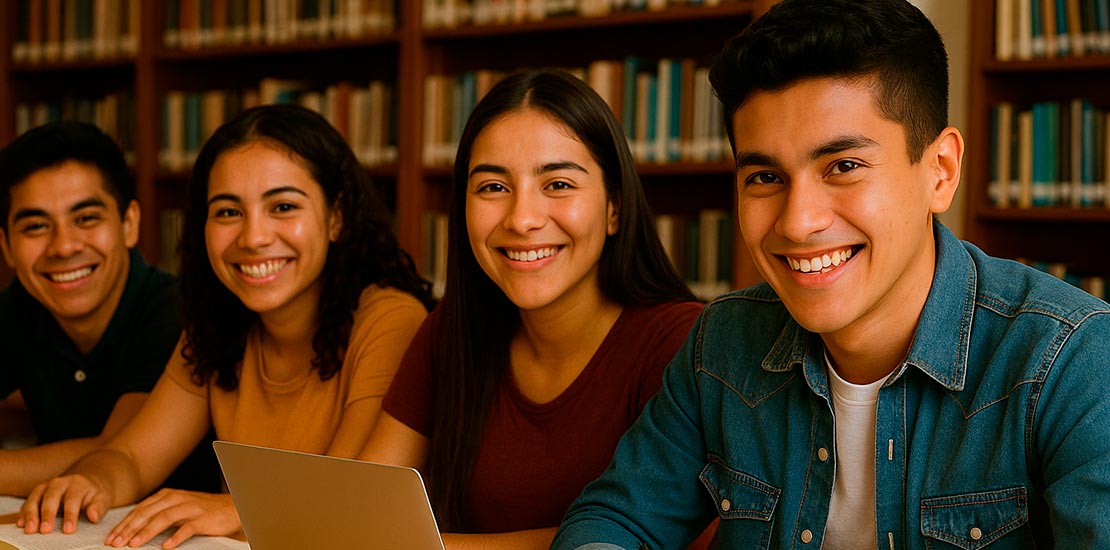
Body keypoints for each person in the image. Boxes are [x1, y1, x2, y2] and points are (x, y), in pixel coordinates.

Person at [553, 0, 1110, 548]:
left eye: (843, 167)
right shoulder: (721, 345)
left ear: (939, 172)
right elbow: (616, 519)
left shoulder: (1071, 360)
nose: (798, 224)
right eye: (766, 177)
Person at [18, 104, 435, 549]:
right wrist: (89, 480)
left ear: (336, 217)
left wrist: (233, 508)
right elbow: (133, 457)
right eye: (228, 212)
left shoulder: (391, 318)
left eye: (283, 206)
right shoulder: (217, 323)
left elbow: (353, 492)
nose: (253, 237)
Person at [358, 69, 704, 549]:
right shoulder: (450, 331)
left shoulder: (682, 343)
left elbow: (673, 538)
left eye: (558, 184)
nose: (522, 219)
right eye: (493, 188)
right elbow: (363, 504)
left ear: (614, 209)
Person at [0, 121, 219, 497]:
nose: (64, 246)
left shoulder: (176, 312)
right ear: (6, 247)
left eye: (86, 218)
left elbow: (118, 449)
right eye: (36, 226)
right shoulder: (21, 304)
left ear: (129, 223)